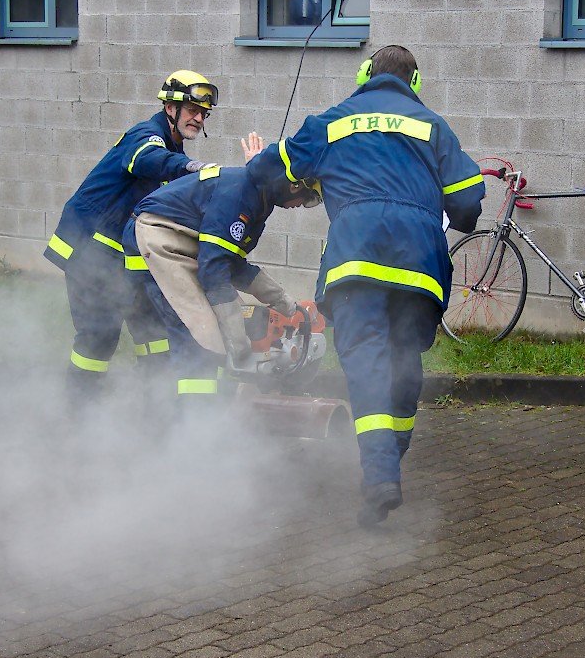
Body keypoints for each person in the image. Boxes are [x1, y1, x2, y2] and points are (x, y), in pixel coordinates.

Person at [247, 45, 485, 527]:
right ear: (414, 83)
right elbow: (467, 205)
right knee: (403, 361)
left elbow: (273, 172)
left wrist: (266, 168)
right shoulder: (433, 127)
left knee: (366, 365)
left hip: (356, 264)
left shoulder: (331, 122)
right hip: (420, 268)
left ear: (364, 74)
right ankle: (391, 458)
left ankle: (380, 477)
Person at [43, 70, 220, 399]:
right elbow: (146, 160)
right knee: (98, 336)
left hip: (129, 260)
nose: (199, 118)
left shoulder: (173, 150)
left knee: (155, 334)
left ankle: (154, 409)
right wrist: (193, 168)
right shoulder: (148, 137)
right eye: (192, 109)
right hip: (90, 252)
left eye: (204, 113)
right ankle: (80, 411)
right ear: (170, 108)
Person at [123, 139, 320, 419]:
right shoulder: (242, 195)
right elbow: (214, 271)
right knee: (199, 335)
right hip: (158, 242)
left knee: (205, 333)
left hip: (178, 246)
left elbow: (231, 264)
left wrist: (286, 304)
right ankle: (196, 428)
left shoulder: (258, 197)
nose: (302, 205)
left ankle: (171, 413)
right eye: (308, 197)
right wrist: (238, 343)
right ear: (293, 185)